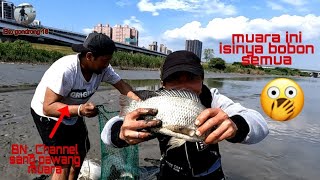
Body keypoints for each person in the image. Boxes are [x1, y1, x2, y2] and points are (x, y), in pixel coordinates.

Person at [101, 50, 269, 179]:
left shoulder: (212, 100)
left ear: (202, 80)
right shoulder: (156, 103)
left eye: (191, 78)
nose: (184, 86)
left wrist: (235, 125)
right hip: (169, 173)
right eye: (174, 79)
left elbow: (259, 124)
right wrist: (121, 133)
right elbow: (107, 133)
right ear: (163, 84)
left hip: (211, 174)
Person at [30, 32, 140, 180]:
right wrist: (80, 110)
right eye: (105, 60)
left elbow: (122, 86)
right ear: (89, 56)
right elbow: (48, 107)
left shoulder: (102, 69)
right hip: (49, 116)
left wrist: (139, 103)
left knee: (79, 154)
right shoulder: (66, 70)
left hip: (73, 113)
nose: (107, 64)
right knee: (63, 165)